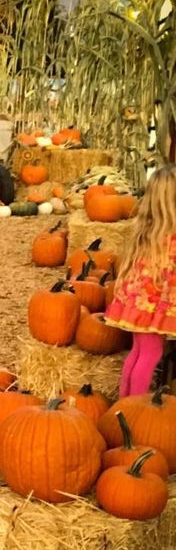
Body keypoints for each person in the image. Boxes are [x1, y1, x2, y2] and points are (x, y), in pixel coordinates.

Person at [105, 164, 176, 397]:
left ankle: (124, 404)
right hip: (152, 307)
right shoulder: (171, 238)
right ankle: (134, 406)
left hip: (137, 303)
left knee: (138, 351)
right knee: (150, 354)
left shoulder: (146, 231)